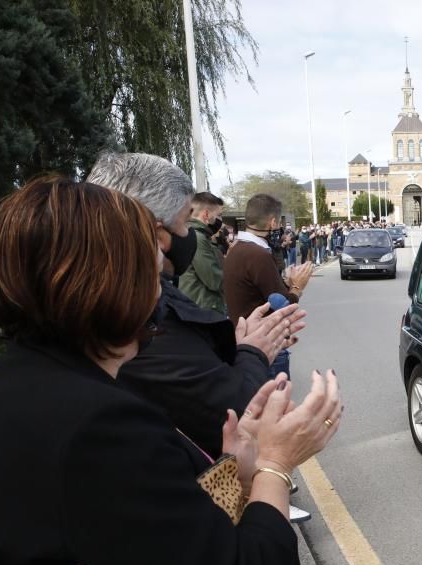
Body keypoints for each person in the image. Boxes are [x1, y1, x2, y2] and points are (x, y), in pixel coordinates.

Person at [0, 177, 342, 565]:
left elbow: (140, 533)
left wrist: (234, 472)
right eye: (150, 270)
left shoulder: (20, 382)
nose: (160, 285)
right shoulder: (97, 426)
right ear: (110, 283)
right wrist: (276, 467)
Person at [88, 152, 306, 458]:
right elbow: (229, 412)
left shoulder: (141, 307)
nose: (185, 234)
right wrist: (253, 352)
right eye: (183, 220)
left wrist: (238, 345)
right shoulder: (132, 322)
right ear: (152, 233)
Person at [225, 194, 313, 378]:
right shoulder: (258, 255)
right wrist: (297, 287)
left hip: (246, 340)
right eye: (278, 224)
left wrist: (285, 283)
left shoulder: (238, 249)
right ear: (272, 222)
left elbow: (260, 291)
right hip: (265, 344)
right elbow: (282, 305)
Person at [179, 191, 227, 315]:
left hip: (198, 305)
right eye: (219, 215)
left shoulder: (192, 234)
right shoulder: (198, 238)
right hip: (204, 307)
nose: (220, 220)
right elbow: (214, 280)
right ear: (206, 214)